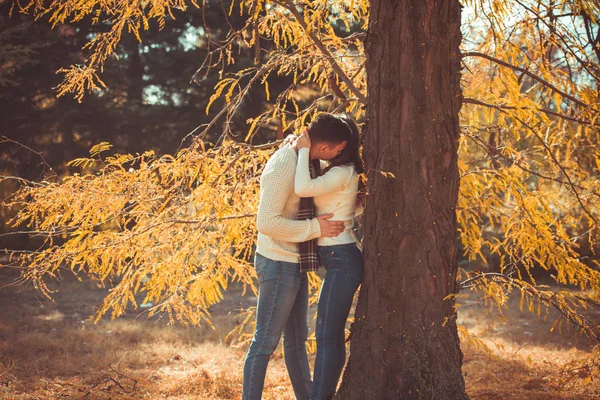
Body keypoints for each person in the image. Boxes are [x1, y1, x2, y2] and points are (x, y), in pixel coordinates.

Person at [242, 114, 351, 400]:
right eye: (339, 149)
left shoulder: (309, 160)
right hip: (278, 262)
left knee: (296, 342)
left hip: (295, 262)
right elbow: (267, 222)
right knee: (264, 344)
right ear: (325, 148)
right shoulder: (285, 164)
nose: (340, 155)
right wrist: (315, 227)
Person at [293, 114, 364, 400]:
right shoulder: (336, 169)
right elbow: (345, 206)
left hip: (342, 259)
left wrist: (301, 152)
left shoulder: (343, 171)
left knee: (326, 335)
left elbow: (302, 188)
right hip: (337, 258)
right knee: (329, 334)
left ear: (340, 145)